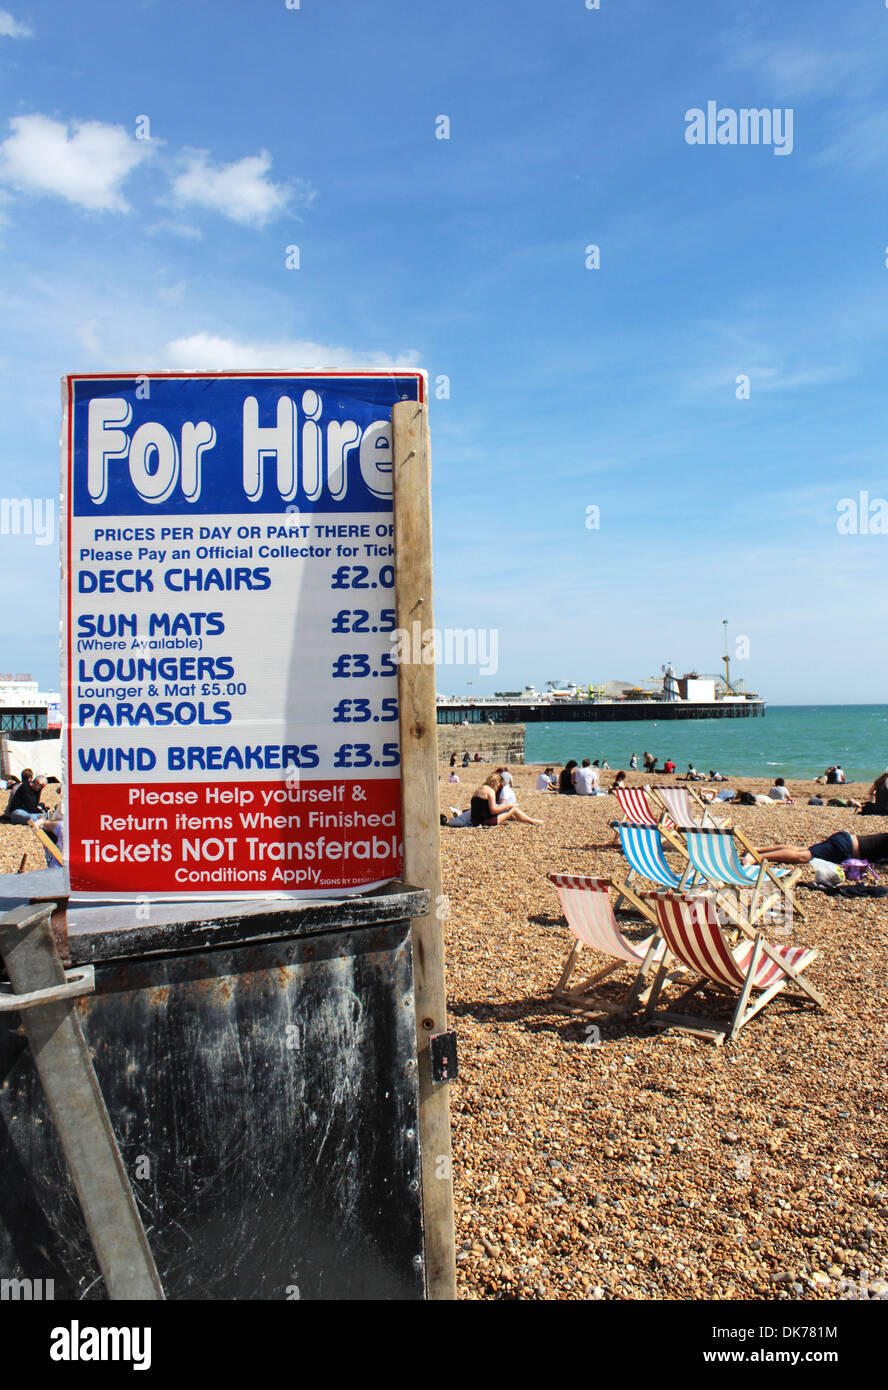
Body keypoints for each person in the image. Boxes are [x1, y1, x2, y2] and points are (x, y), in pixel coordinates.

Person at [750, 830, 888, 867]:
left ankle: (758, 850)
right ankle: (757, 857)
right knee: (804, 857)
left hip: (844, 840)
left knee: (802, 850)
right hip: (843, 848)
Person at [470, 773, 542, 826]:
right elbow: (493, 811)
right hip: (486, 822)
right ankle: (533, 821)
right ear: (497, 784)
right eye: (498, 787)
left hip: (474, 821)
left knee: (509, 812)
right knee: (514, 809)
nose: (497, 789)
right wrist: (507, 806)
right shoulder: (490, 791)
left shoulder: (478, 790)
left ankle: (529, 820)